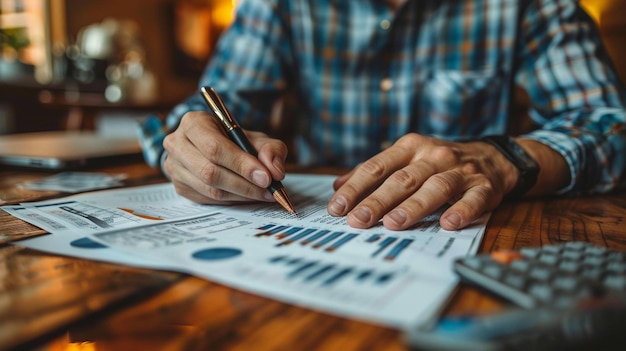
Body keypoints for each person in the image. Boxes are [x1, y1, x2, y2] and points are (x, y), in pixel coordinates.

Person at [139, 0, 626, 231]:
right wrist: (192, 151)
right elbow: (198, 119)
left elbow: (611, 126)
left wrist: (503, 159)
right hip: (307, 237)